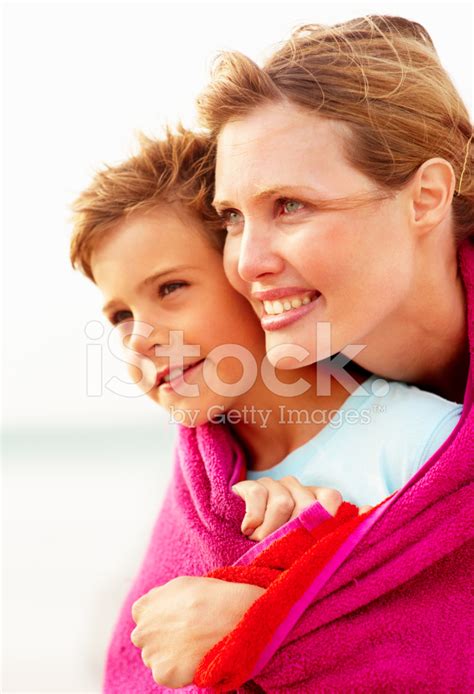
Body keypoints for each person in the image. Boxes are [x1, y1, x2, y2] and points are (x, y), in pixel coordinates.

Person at [125, 15, 473, 688]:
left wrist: (270, 625)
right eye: (232, 218)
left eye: (290, 206)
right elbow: (142, 662)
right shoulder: (246, 428)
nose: (246, 262)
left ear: (426, 197)